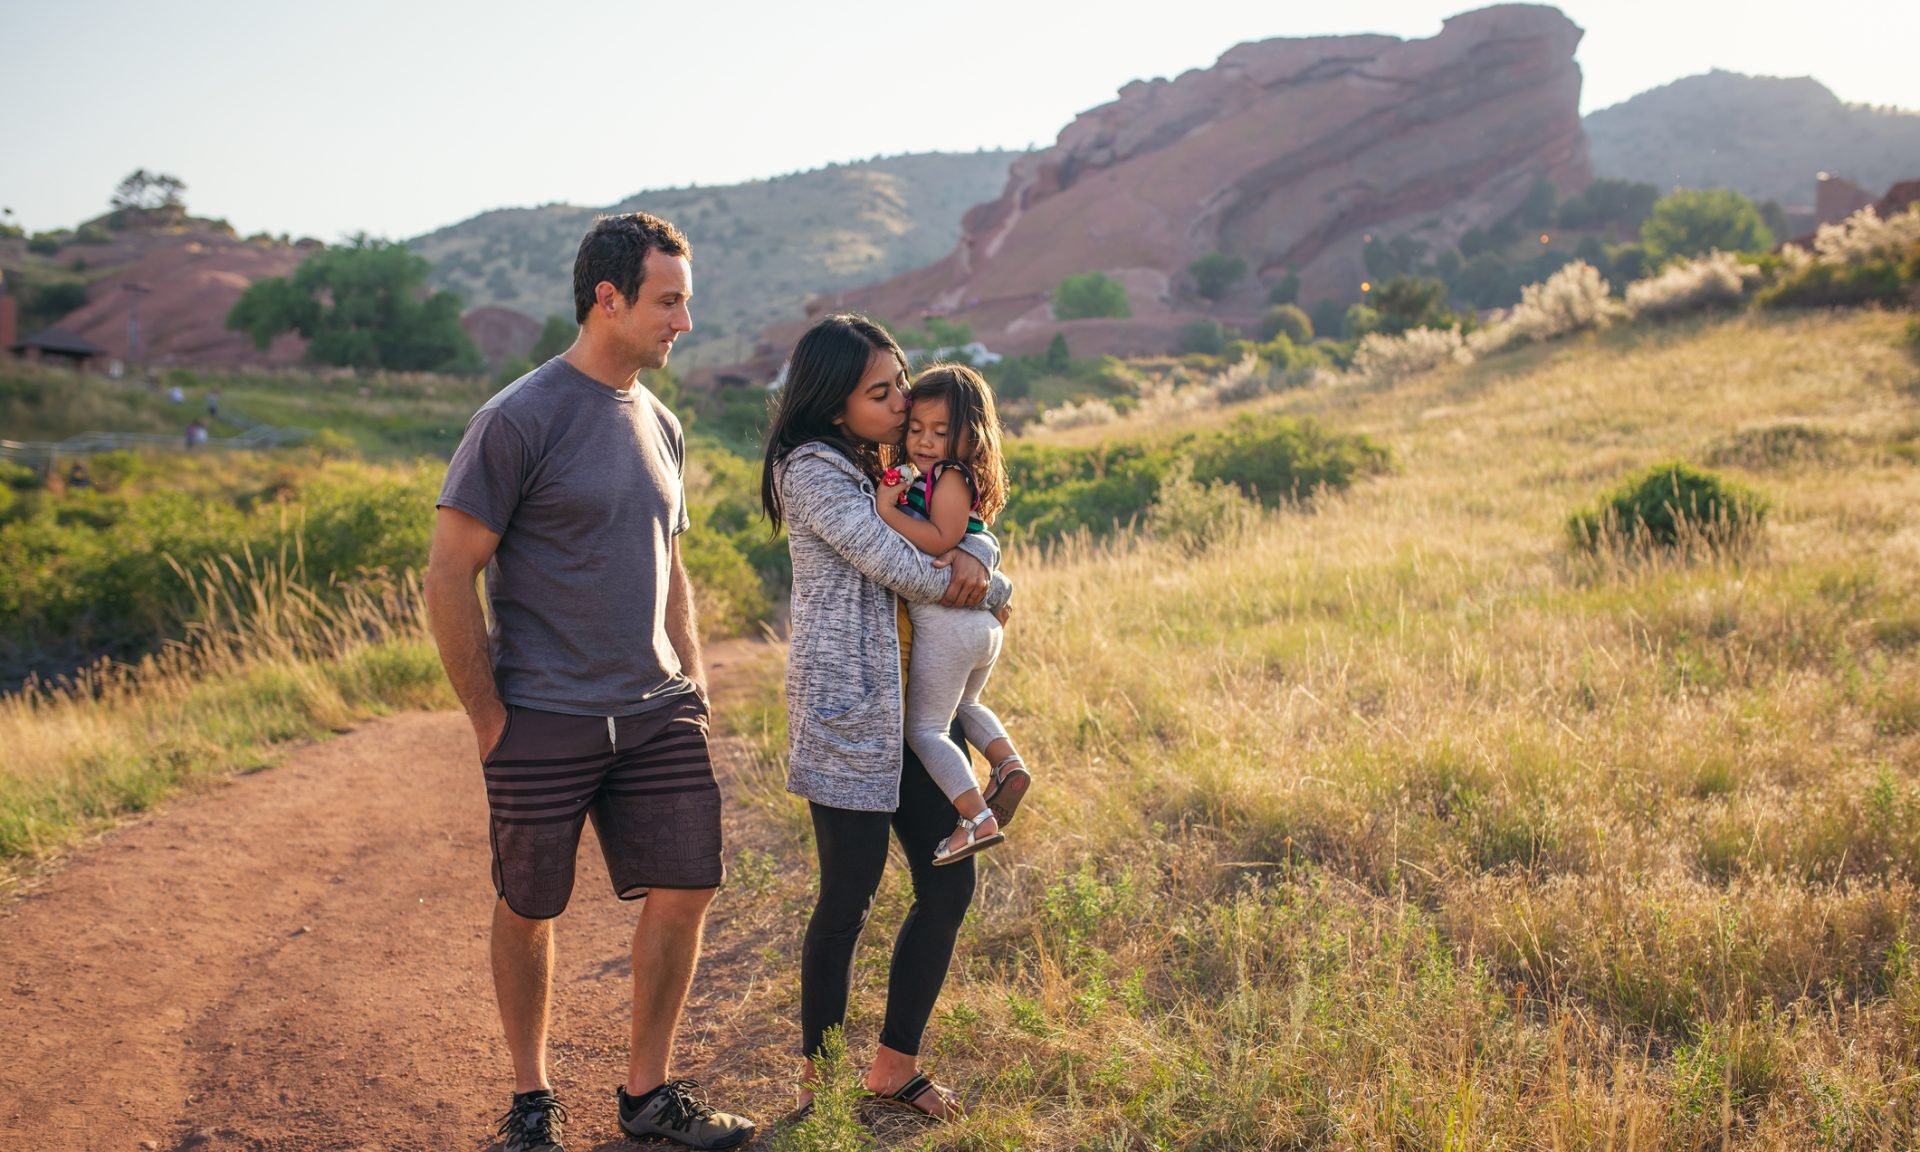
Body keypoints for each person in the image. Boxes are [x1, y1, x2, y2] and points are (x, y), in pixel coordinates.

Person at [426, 212, 753, 1152]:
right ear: (607, 299)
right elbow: (450, 574)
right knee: (531, 904)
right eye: (670, 300)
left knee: (688, 886)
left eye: (685, 299)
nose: (684, 320)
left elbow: (670, 563)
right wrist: (491, 719)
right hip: (544, 714)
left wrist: (692, 677)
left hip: (656, 712)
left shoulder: (664, 423)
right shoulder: (516, 418)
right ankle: (532, 1104)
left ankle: (647, 1096)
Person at [760, 315, 1013, 1124]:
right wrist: (985, 574)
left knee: (948, 880)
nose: (905, 401)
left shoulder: (889, 467)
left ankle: (893, 1066)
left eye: (901, 381)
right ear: (837, 405)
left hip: (906, 713)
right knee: (848, 901)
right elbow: (906, 564)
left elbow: (953, 541)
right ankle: (818, 1084)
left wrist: (981, 558)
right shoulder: (812, 471)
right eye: (884, 391)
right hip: (847, 714)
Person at [875, 364, 1031, 866]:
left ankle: (975, 819)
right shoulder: (938, 474)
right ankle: (1007, 765)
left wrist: (887, 512)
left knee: (924, 731)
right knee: (966, 704)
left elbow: (942, 540)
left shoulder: (947, 476)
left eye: (940, 433)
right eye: (915, 429)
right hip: (977, 628)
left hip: (949, 622)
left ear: (971, 437)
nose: (924, 441)